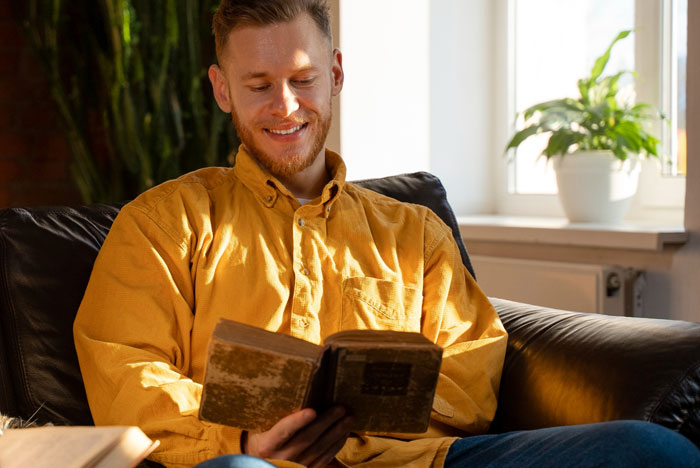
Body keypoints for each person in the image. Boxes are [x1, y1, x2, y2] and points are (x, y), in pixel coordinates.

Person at [73, 1, 700, 468]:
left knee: (651, 450)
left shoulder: (414, 232)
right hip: (251, 463)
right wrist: (242, 441)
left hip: (414, 464)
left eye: (303, 79)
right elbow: (125, 375)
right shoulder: (164, 223)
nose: (285, 107)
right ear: (221, 90)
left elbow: (470, 369)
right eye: (259, 87)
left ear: (337, 74)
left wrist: (355, 437)